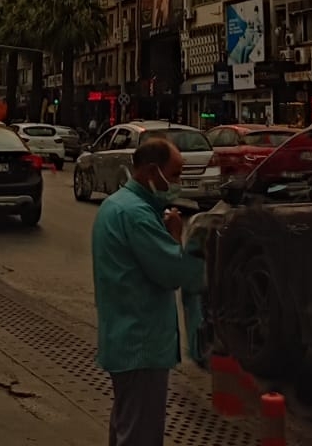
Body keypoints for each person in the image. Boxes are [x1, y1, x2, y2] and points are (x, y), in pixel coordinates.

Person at [91, 136, 205, 446]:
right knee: (140, 433)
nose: (179, 182)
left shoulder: (118, 205)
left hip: (125, 339)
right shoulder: (137, 215)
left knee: (128, 425)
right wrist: (177, 239)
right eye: (176, 173)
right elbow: (171, 273)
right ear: (154, 172)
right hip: (140, 344)